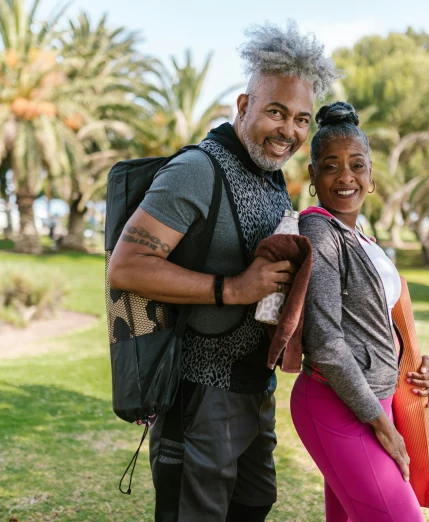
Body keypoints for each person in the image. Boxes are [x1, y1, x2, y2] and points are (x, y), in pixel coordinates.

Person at [107, 21, 339, 521]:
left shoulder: (272, 178)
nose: (289, 131)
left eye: (302, 120)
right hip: (198, 393)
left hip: (255, 391)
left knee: (254, 505)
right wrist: (231, 289)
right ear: (243, 106)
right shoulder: (198, 169)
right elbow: (125, 267)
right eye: (276, 112)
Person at [291, 102, 429, 522]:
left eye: (357, 165)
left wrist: (416, 366)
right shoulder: (319, 232)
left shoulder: (363, 240)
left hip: (375, 401)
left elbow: (383, 323)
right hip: (335, 404)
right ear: (314, 178)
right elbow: (326, 342)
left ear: (371, 176)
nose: (346, 176)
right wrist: (381, 425)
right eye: (331, 166)